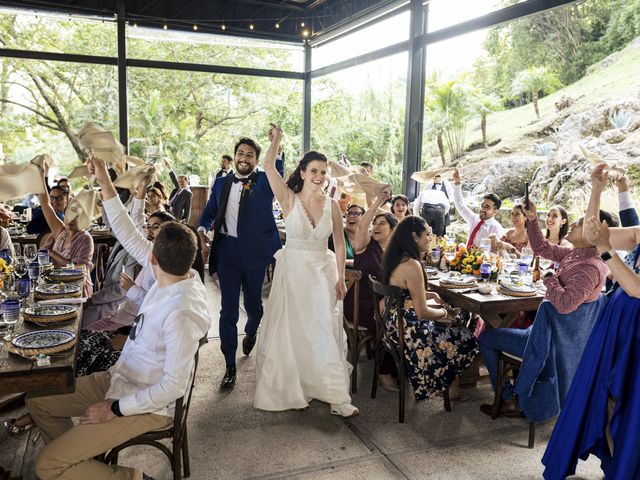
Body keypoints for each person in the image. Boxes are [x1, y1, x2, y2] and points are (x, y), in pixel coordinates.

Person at [24, 201, 210, 480]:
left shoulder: (182, 312)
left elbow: (173, 386)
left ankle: (131, 477)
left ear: (152, 260)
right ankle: (80, 464)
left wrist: (113, 409)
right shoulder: (181, 278)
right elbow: (155, 306)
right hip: (120, 377)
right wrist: (134, 292)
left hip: (146, 404)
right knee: (38, 401)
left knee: (46, 466)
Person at [542, 163, 640, 479]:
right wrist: (596, 189)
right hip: (616, 327)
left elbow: (637, 288)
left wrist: (607, 250)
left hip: (635, 333)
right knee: (606, 399)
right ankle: (617, 468)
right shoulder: (639, 234)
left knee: (626, 405)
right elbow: (590, 234)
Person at [253, 126, 358, 417]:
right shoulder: (288, 199)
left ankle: (334, 394)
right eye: (314, 170)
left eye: (323, 172)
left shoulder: (334, 205)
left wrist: (340, 279)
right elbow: (268, 166)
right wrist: (276, 140)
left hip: (322, 274)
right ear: (302, 172)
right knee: (291, 332)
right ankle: (293, 385)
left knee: (323, 330)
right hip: (294, 273)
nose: (319, 176)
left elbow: (338, 243)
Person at [478, 198, 611, 417]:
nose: (574, 225)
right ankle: (516, 392)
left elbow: (566, 304)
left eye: (579, 224)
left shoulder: (589, 268)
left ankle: (507, 399)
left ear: (593, 235)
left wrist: (549, 278)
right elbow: (541, 247)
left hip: (550, 344)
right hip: (550, 336)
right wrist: (532, 219)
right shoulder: (576, 255)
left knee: (487, 337)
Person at [198, 136, 283, 389]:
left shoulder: (265, 181)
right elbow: (210, 210)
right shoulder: (222, 182)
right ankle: (229, 364)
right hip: (227, 252)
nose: (244, 158)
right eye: (240, 153)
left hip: (255, 252)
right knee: (228, 310)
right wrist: (202, 227)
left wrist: (275, 141)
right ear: (234, 156)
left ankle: (253, 329)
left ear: (256, 160)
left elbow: (277, 168)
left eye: (249, 155)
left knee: (255, 305)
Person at [382, 216, 478, 400]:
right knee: (465, 335)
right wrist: (445, 314)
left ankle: (450, 386)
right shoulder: (413, 265)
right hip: (409, 332)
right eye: (427, 234)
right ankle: (449, 387)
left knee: (456, 324)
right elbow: (423, 312)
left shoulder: (396, 258)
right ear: (414, 237)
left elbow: (403, 291)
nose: (430, 239)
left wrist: (430, 295)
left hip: (394, 324)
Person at [348, 192, 399, 391]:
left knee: (403, 320)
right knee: (390, 323)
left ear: (393, 231)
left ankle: (400, 368)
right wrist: (378, 201)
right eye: (375, 223)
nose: (375, 227)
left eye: (382, 224)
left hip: (384, 304)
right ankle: (384, 372)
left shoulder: (396, 255)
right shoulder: (365, 246)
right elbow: (362, 226)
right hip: (358, 304)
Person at [37, 182, 93, 297]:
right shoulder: (60, 231)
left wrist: (52, 254)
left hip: (76, 289)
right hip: (53, 285)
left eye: (76, 217)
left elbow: (78, 269)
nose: (71, 220)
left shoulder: (85, 238)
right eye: (68, 215)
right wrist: (40, 175)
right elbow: (45, 204)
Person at [452, 168, 504, 247]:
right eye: (482, 205)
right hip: (466, 257)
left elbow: (496, 251)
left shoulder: (495, 228)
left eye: (487, 207)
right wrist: (457, 183)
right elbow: (460, 204)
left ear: (495, 212)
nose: (483, 209)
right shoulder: (474, 219)